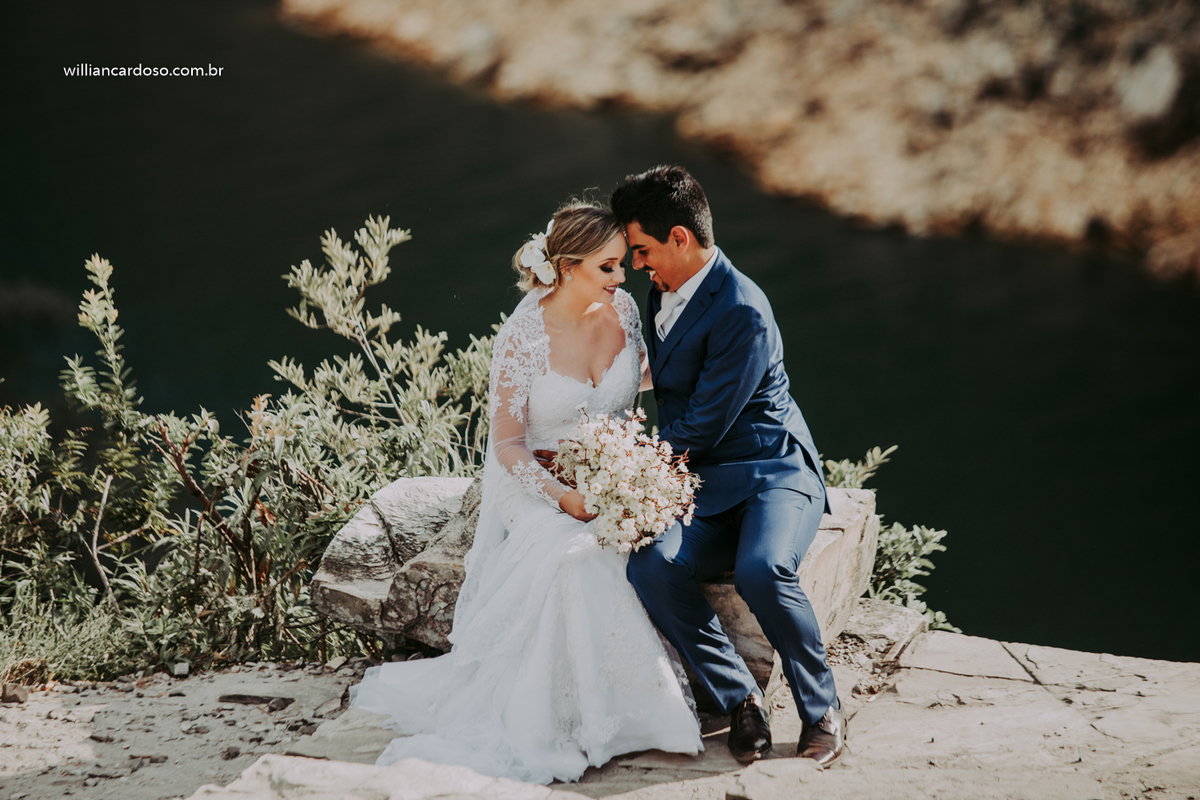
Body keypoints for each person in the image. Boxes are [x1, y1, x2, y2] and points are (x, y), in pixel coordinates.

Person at [348, 201, 703, 785]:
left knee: (614, 551)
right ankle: (571, 721)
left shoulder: (623, 312)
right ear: (564, 266)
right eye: (607, 267)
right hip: (535, 483)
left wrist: (624, 467)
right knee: (576, 562)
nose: (622, 278)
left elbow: (640, 379)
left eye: (622, 265)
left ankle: (628, 715)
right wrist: (563, 498)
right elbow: (508, 444)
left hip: (608, 474)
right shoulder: (523, 336)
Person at [611, 165, 846, 767]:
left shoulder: (743, 308)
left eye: (642, 250)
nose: (637, 265)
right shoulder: (663, 289)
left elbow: (704, 423)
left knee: (763, 569)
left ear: (680, 239)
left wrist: (625, 465)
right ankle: (740, 697)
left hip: (772, 473)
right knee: (653, 567)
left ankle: (821, 708)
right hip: (705, 483)